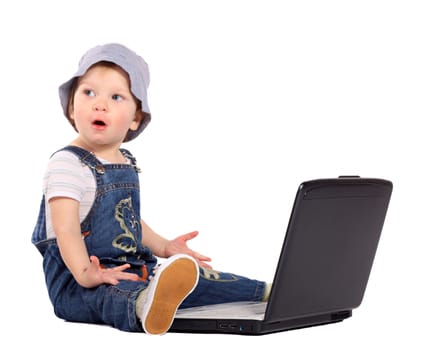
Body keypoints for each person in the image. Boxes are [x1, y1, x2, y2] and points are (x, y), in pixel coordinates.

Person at [31, 43, 271, 335]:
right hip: (78, 284)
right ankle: (144, 305)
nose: (99, 104)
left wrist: (165, 247)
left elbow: (128, 219)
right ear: (71, 106)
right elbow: (65, 227)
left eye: (116, 96)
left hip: (134, 271)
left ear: (135, 119)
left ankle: (265, 291)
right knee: (111, 295)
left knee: (202, 280)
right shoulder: (67, 164)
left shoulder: (125, 161)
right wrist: (86, 273)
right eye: (88, 92)